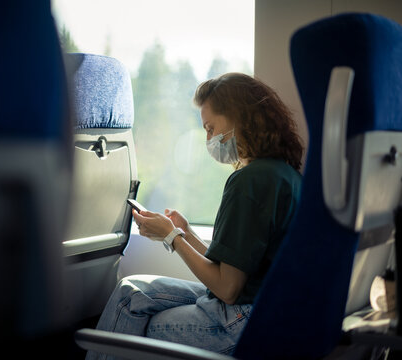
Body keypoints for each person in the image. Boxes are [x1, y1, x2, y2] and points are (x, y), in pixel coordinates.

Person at [86, 73, 304, 358]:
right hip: (263, 310)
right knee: (132, 291)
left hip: (241, 321)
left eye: (211, 128)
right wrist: (185, 232)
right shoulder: (283, 174)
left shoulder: (249, 181)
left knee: (141, 321)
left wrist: (172, 237)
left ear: (239, 117)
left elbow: (227, 288)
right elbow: (235, 266)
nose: (209, 138)